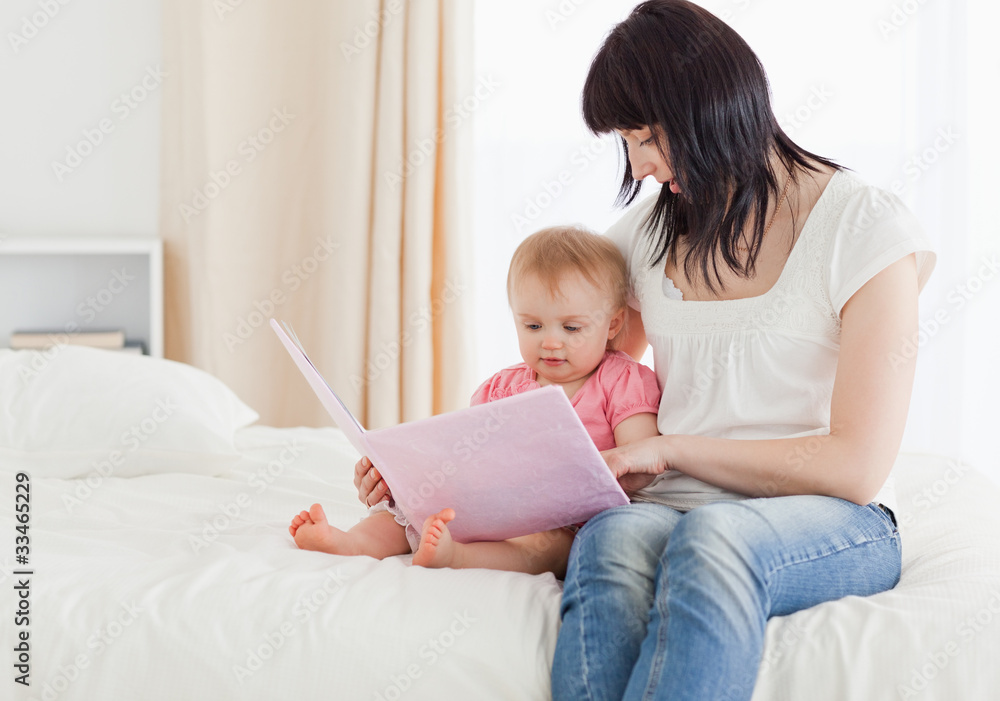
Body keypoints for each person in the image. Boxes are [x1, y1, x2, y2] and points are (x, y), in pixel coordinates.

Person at [532, 2, 938, 699]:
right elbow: (587, 390)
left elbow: (855, 467)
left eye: (649, 136)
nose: (641, 165)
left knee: (714, 539)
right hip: (677, 506)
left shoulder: (865, 229)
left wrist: (673, 449)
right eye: (626, 143)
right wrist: (446, 474)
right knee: (609, 540)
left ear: (715, 108)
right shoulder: (645, 237)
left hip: (834, 515)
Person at [292, 225, 662, 577]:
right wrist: (401, 475)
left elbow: (639, 462)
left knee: (548, 546)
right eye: (533, 326)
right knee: (406, 509)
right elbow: (463, 452)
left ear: (612, 324)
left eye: (571, 328)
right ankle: (350, 542)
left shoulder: (622, 380)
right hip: (491, 505)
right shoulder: (502, 387)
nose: (550, 342)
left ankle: (457, 557)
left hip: (563, 519)